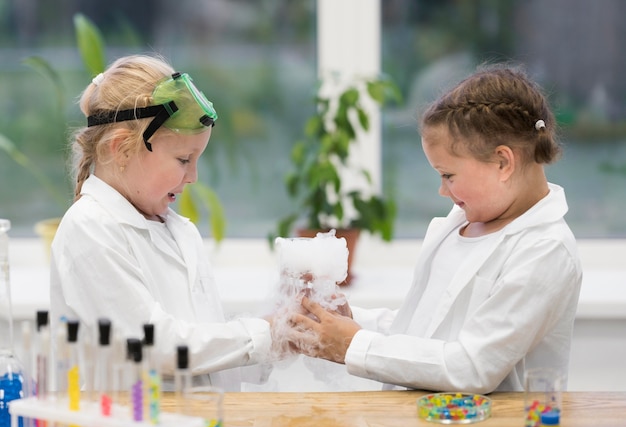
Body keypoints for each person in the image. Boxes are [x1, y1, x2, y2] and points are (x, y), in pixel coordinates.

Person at [289, 64, 583, 393]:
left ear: (503, 162)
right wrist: (345, 321)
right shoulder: (461, 224)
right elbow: (420, 330)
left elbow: (473, 367)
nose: (443, 191)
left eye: (448, 175)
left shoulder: (545, 250)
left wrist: (354, 344)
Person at [50, 54, 273, 391]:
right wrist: (264, 334)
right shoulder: (89, 229)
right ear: (120, 149)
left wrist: (285, 333)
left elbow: (208, 357)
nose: (194, 176)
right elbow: (157, 346)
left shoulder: (180, 232)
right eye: (184, 159)